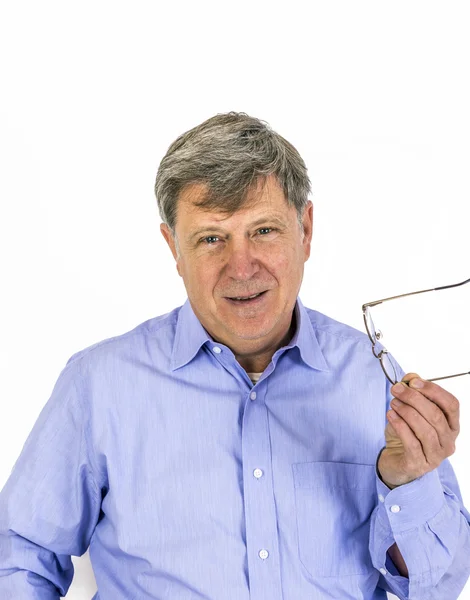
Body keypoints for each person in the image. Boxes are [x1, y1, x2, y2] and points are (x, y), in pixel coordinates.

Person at [0, 112, 469, 600]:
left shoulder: (374, 378)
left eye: (263, 231)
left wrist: (407, 481)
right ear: (173, 247)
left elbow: (437, 586)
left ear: (305, 231)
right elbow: (19, 558)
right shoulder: (99, 385)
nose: (241, 267)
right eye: (211, 238)